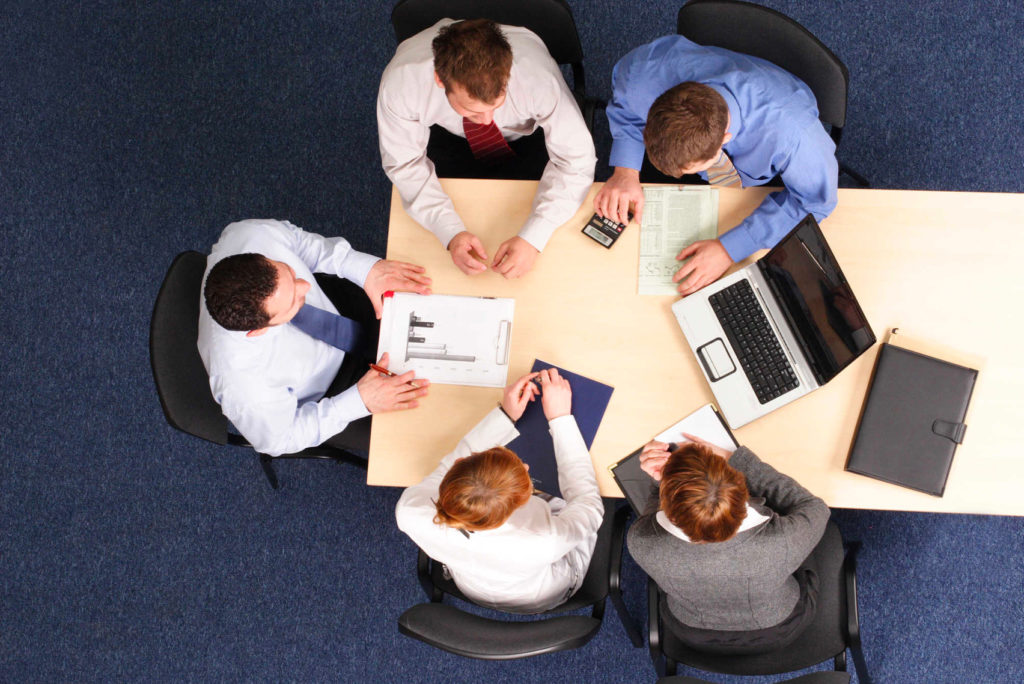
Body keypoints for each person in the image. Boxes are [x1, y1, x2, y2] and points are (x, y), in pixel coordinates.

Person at [594, 35, 839, 296]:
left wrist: (730, 248)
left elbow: (815, 202)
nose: (678, 177)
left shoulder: (793, 136)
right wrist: (625, 172)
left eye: (685, 171)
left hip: (771, 134)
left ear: (725, 140)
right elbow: (626, 111)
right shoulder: (642, 75)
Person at [377, 18, 596, 279]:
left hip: (526, 137)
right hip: (447, 136)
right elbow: (405, 165)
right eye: (472, 109)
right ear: (439, 79)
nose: (488, 120)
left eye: (498, 101)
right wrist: (450, 231)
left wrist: (534, 237)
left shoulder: (537, 78)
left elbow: (576, 161)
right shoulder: (402, 86)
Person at [197, 218, 432, 457]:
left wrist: (364, 268)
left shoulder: (252, 235)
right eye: (291, 302)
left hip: (336, 309)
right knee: (423, 430)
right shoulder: (244, 388)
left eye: (289, 271)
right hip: (334, 393)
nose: (305, 287)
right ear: (258, 331)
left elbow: (299, 243)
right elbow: (281, 440)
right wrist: (358, 402)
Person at [395, 368, 604, 613]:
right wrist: (561, 419)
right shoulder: (543, 540)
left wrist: (505, 415)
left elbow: (448, 467)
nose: (525, 465)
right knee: (575, 495)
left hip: (471, 584)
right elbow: (589, 505)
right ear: (523, 500)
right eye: (523, 472)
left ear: (460, 466)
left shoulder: (410, 511)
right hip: (541, 593)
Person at [627, 434, 830, 654]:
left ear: (668, 507)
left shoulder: (641, 540)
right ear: (744, 490)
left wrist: (662, 480)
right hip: (779, 628)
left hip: (692, 632)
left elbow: (654, 515)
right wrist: (733, 457)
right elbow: (815, 508)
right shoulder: (783, 541)